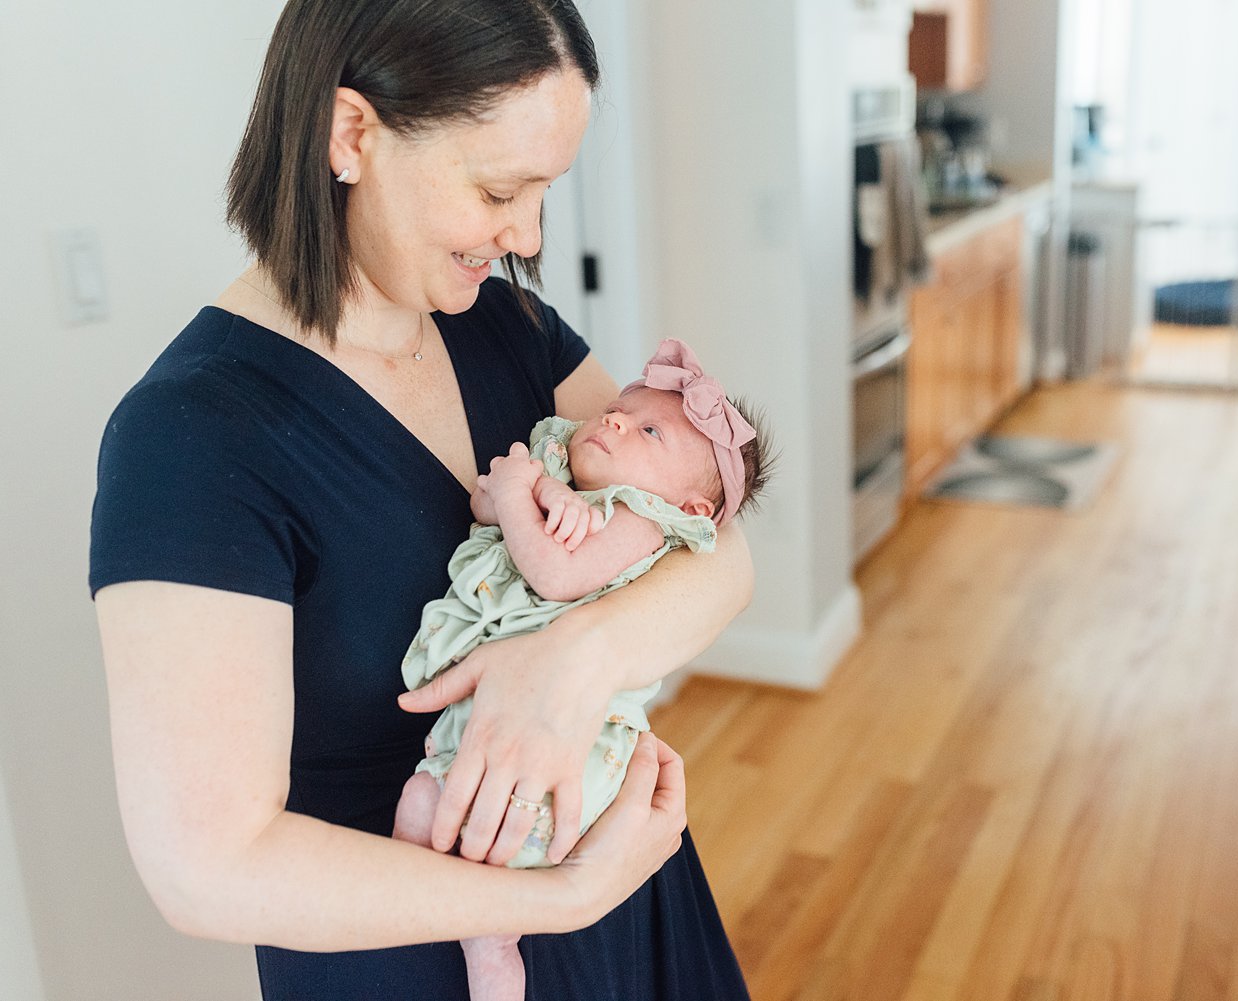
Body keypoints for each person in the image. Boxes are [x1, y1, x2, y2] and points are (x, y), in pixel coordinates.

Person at [89, 2, 754, 998]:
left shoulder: (510, 327)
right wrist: (557, 897)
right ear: (353, 133)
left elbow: (722, 549)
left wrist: (576, 661)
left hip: (629, 897)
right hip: (423, 963)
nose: (526, 234)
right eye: (499, 188)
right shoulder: (192, 436)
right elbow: (204, 867)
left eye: (544, 195)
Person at [395, 339, 770, 1001]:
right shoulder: (565, 472)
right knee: (422, 805)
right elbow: (485, 511)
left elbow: (555, 571)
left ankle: (493, 952)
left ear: (689, 509)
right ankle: (420, 913)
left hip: (557, 749)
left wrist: (520, 497)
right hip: (478, 726)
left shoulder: (643, 523)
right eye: (620, 408)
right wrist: (527, 486)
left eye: (649, 431)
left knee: (494, 856)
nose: (617, 420)